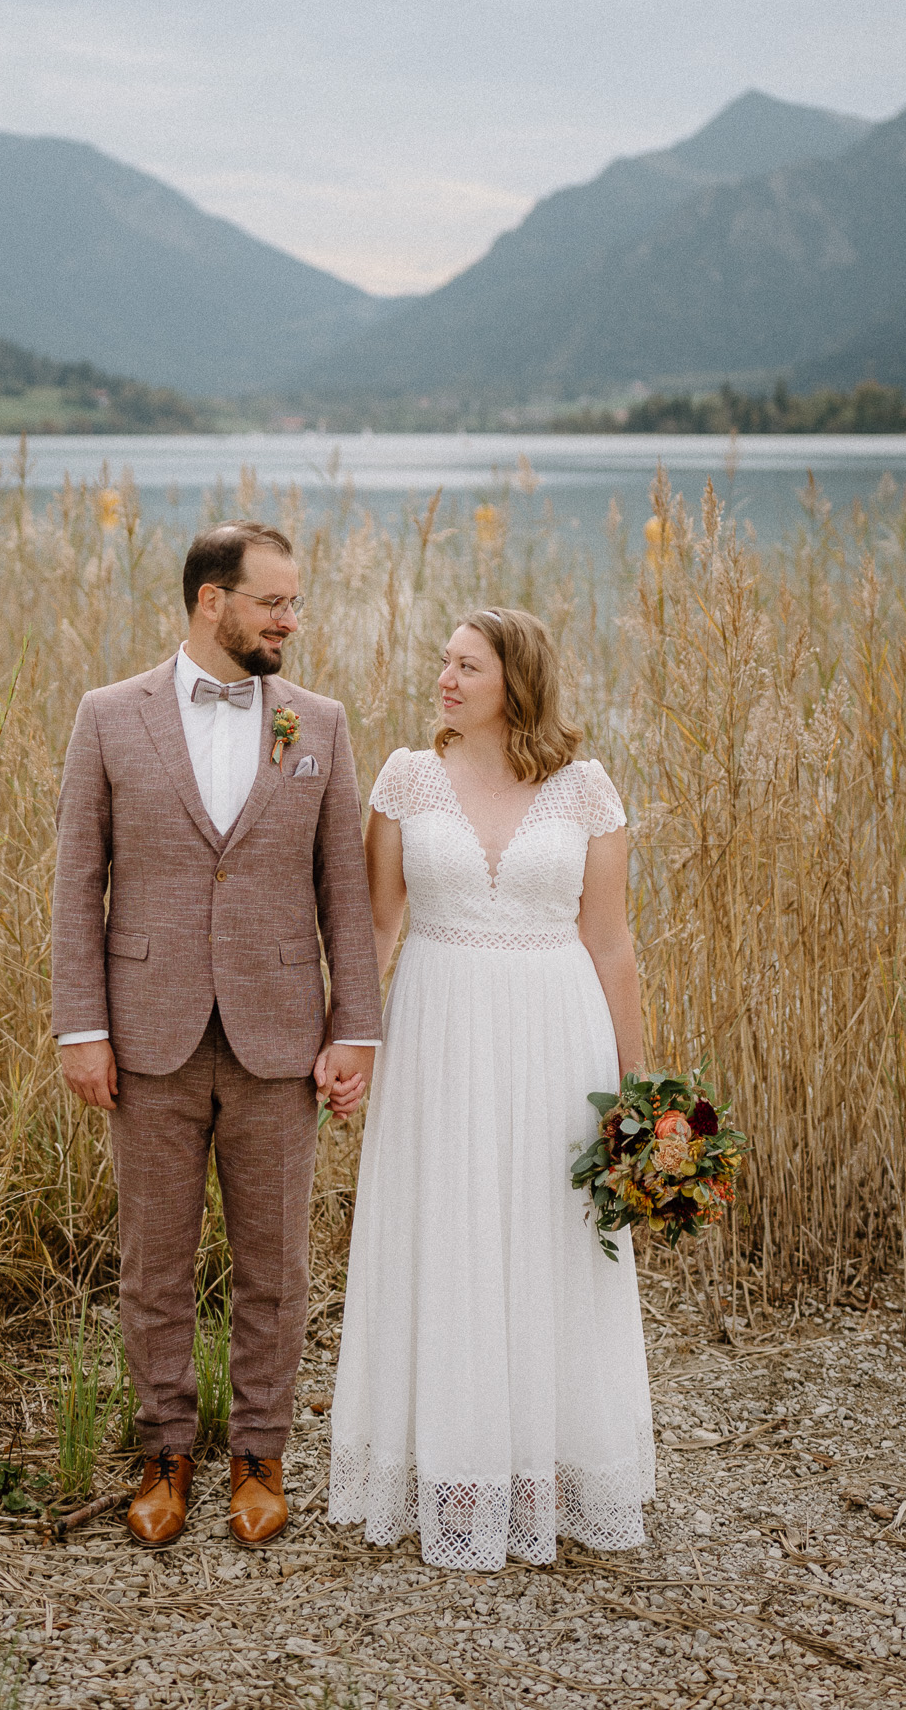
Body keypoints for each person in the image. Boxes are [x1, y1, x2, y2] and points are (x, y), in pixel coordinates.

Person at [51, 522, 382, 1549]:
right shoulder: (107, 717)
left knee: (274, 1262)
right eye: (273, 602)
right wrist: (81, 1027)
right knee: (152, 1260)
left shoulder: (318, 722)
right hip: (145, 1037)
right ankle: (162, 1451)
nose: (291, 619)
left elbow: (345, 894)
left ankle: (258, 1451)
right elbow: (77, 884)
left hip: (278, 1038)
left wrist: (354, 1031)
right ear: (210, 601)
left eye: (294, 602)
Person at [328, 606, 655, 1570]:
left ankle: (550, 1463)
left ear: (514, 680)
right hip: (437, 1031)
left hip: (559, 1037)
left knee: (547, 1235)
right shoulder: (404, 778)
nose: (444, 679)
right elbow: (373, 935)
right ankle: (448, 1464)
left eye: (466, 666)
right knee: (449, 1228)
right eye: (443, 663)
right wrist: (354, 1046)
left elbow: (610, 943)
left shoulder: (585, 789)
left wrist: (638, 1093)